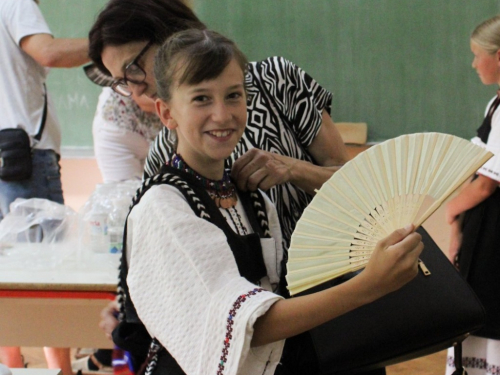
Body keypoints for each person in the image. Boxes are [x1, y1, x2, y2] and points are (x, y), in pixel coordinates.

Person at [113, 28, 424, 375]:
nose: (222, 114)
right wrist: (368, 286)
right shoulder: (163, 209)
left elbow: (271, 296)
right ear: (167, 112)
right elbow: (248, 325)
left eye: (234, 95)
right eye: (201, 99)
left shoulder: (249, 195)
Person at [87, 0, 350, 254]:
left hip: (333, 274)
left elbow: (353, 186)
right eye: (123, 82)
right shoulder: (164, 155)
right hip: (246, 294)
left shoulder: (276, 82)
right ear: (166, 114)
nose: (136, 89)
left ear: (167, 34)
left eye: (133, 69)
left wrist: (294, 170)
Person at [0, 0, 89, 374]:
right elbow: (48, 53)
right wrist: (111, 40)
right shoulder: (16, 3)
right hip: (27, 159)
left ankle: (13, 365)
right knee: (51, 274)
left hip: (7, 157)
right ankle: (62, 371)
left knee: (8, 273)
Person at [445, 15, 500, 375]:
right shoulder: (494, 104)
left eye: (477, 55)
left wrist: (449, 211)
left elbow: (486, 183)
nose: (473, 63)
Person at [92, 87, 163, 182]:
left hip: (161, 131)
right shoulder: (112, 126)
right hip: (121, 131)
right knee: (127, 192)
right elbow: (142, 98)